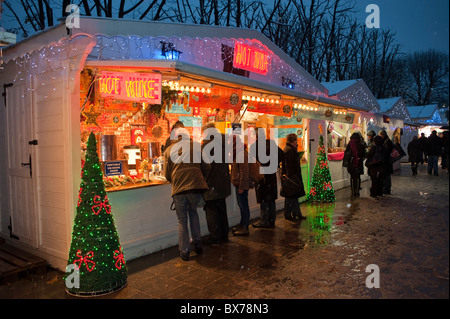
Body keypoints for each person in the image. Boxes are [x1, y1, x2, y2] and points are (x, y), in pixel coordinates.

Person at [163, 127, 210, 261]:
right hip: (195, 188)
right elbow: (207, 166)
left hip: (178, 189)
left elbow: (166, 174)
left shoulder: (168, 150)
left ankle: (185, 251)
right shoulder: (196, 147)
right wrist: (200, 178)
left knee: (182, 220)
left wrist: (175, 179)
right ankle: (198, 244)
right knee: (193, 213)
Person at [201, 123, 231, 244]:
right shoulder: (223, 143)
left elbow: (204, 166)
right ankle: (224, 234)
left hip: (211, 183)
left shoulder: (207, 146)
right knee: (222, 210)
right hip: (222, 182)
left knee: (211, 211)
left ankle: (215, 236)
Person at [250, 128, 284, 229]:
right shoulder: (271, 143)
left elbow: (252, 162)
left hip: (261, 176)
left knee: (263, 199)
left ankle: (264, 221)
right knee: (271, 198)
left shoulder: (254, 146)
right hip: (271, 174)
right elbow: (282, 154)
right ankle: (271, 220)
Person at [230, 135, 252, 236]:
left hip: (241, 185)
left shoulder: (241, 154)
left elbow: (244, 171)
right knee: (242, 205)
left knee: (244, 206)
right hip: (239, 184)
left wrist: (242, 187)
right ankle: (242, 224)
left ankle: (245, 227)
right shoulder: (238, 152)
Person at [281, 133, 305, 220]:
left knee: (294, 196)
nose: (297, 141)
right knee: (290, 196)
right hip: (292, 177)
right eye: (296, 140)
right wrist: (291, 177)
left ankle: (296, 213)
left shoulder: (290, 149)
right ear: (293, 140)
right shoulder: (290, 150)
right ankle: (288, 214)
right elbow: (289, 165)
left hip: (293, 176)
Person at [343, 132, 366, 197]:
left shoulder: (349, 144)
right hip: (359, 163)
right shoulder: (362, 145)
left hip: (351, 163)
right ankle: (357, 191)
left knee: (352, 177)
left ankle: (353, 191)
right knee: (358, 176)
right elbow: (364, 155)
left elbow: (346, 154)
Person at [379, 129, 394, 195]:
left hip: (386, 162)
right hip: (387, 161)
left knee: (386, 176)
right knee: (386, 175)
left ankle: (386, 189)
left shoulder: (386, 142)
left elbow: (386, 152)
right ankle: (386, 189)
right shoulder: (387, 141)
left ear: (382, 135)